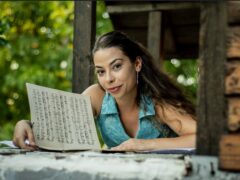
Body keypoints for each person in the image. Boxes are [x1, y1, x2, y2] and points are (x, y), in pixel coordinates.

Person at [13, 31, 197, 151]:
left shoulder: (158, 102)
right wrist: (26, 124)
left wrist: (144, 145)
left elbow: (202, 139)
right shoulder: (97, 96)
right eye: (101, 71)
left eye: (116, 66)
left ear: (137, 64)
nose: (108, 78)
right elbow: (59, 126)